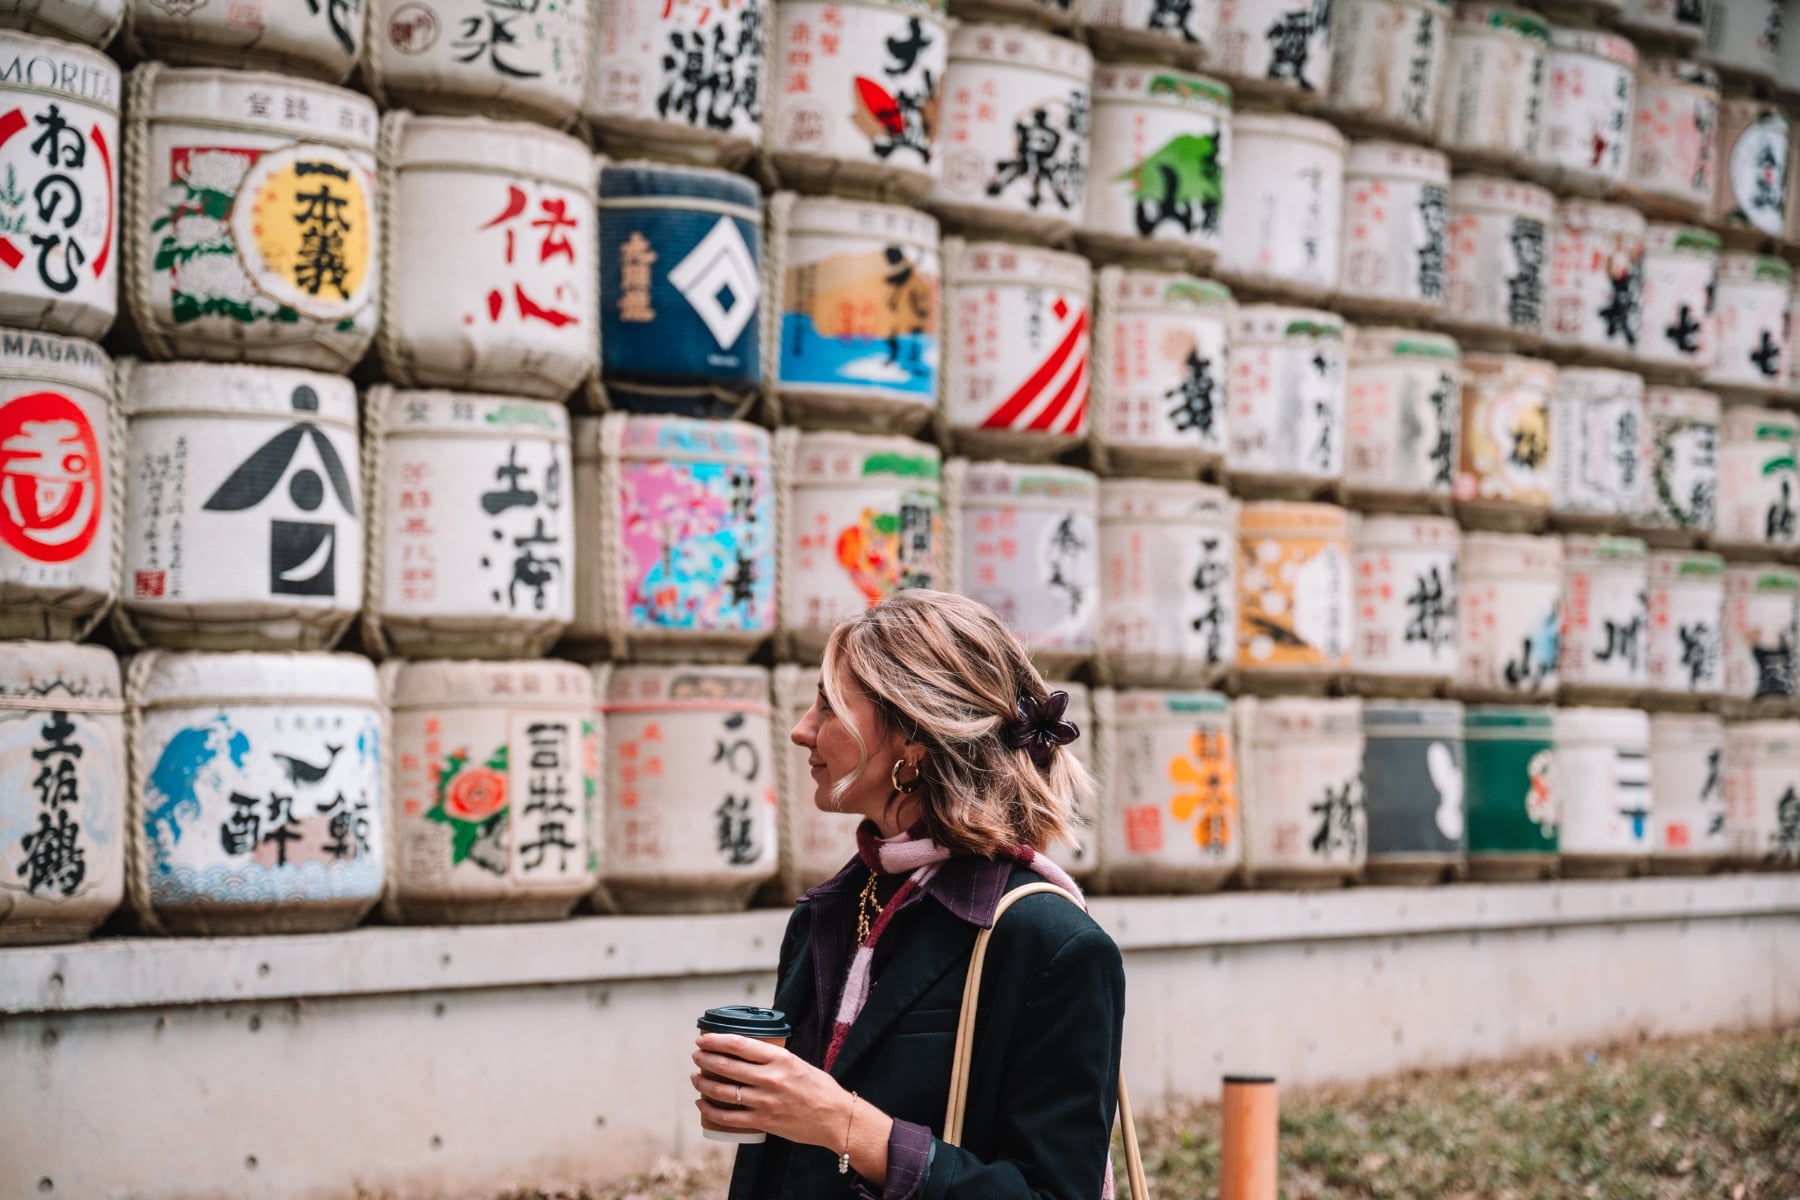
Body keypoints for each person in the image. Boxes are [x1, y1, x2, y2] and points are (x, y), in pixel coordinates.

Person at [692, 590, 1126, 1199]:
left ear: (913, 743)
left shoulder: (1050, 943)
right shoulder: (832, 910)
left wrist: (844, 1123)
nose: (800, 730)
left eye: (829, 705)